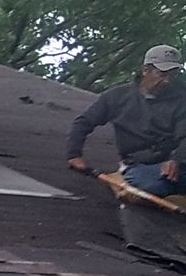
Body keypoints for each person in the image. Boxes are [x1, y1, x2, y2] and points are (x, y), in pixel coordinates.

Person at [66, 44, 186, 196]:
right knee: (149, 184)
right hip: (140, 165)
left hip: (177, 164)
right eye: (162, 74)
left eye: (172, 75)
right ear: (146, 70)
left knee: (167, 181)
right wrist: (74, 155)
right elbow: (83, 122)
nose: (168, 81)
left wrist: (176, 159)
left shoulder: (182, 99)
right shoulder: (117, 96)